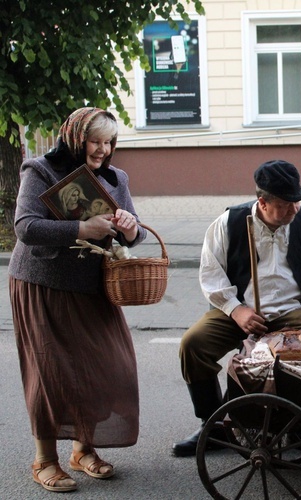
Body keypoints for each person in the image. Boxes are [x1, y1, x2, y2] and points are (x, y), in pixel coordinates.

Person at [172, 159, 301, 457]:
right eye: (286, 204)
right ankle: (212, 423)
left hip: (291, 311)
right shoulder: (229, 223)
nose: (294, 209)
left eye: (297, 201)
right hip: (239, 309)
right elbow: (211, 274)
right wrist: (236, 310)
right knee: (193, 344)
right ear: (262, 202)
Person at [9, 107, 145, 493]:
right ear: (75, 137)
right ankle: (45, 460)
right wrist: (80, 227)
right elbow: (25, 227)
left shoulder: (117, 177)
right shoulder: (40, 170)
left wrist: (131, 230)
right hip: (43, 284)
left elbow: (135, 233)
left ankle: (83, 450)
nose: (102, 150)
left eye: (109, 142)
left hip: (94, 287)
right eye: (95, 141)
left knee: (107, 368)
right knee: (51, 373)